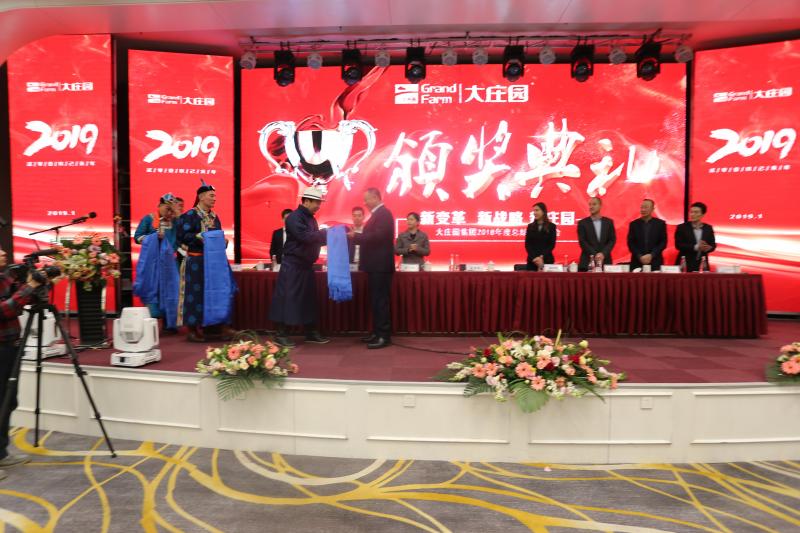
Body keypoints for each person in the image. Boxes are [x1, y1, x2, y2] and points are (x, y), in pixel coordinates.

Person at [269, 188, 330, 347]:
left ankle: (310, 331)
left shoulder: (311, 219)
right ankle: (281, 334)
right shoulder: (294, 217)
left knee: (308, 299)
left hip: (306, 265)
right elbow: (306, 237)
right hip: (293, 265)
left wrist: (335, 236)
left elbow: (315, 239)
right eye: (317, 202)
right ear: (307, 201)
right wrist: (327, 233)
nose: (319, 206)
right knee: (288, 298)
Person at [176, 182, 236, 342]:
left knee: (216, 293)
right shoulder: (189, 216)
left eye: (215, 196)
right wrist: (198, 236)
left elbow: (217, 235)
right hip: (196, 260)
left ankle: (215, 327)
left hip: (214, 262)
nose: (214, 199)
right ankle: (192, 329)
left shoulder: (215, 217)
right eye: (211, 196)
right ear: (201, 197)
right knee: (195, 294)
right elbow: (181, 237)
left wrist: (223, 241)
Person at [0, 246, 40, 475]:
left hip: (9, 346)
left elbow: (20, 300)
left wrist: (34, 284)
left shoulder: (4, 278)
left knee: (7, 401)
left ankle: (1, 453)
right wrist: (29, 286)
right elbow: (4, 310)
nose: (3, 252)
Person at [348, 188, 394, 350]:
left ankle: (384, 336)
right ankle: (376, 332)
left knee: (380, 302)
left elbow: (378, 237)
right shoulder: (377, 215)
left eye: (366, 199)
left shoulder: (384, 214)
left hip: (380, 266)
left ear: (375, 197)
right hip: (375, 266)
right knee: (375, 301)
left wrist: (356, 236)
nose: (365, 203)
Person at [133, 194, 179, 324]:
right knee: (153, 289)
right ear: (159, 206)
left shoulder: (174, 222)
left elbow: (178, 239)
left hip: (169, 262)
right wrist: (153, 237)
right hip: (152, 262)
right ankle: (152, 321)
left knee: (171, 289)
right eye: (167, 208)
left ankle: (169, 323)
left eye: (171, 209)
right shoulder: (149, 219)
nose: (169, 212)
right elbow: (137, 237)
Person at [674, 201, 716, 271]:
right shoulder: (682, 227)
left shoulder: (708, 228)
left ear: (703, 214)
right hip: (685, 264)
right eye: (691, 212)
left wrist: (708, 248)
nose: (692, 214)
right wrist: (696, 247)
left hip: (702, 264)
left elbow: (713, 245)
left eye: (696, 212)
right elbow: (678, 245)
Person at [627, 198, 667, 271]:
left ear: (653, 209)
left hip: (655, 261)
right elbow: (631, 243)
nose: (643, 210)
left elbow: (663, 242)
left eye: (646, 207)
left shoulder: (660, 224)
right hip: (637, 261)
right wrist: (639, 256)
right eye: (642, 207)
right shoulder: (634, 224)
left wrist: (652, 255)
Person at [524, 202, 557, 271]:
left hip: (547, 260)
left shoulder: (552, 226)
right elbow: (528, 245)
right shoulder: (530, 226)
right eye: (534, 211)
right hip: (532, 261)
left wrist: (541, 257)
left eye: (537, 210)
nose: (534, 213)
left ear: (543, 212)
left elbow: (552, 244)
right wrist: (535, 258)